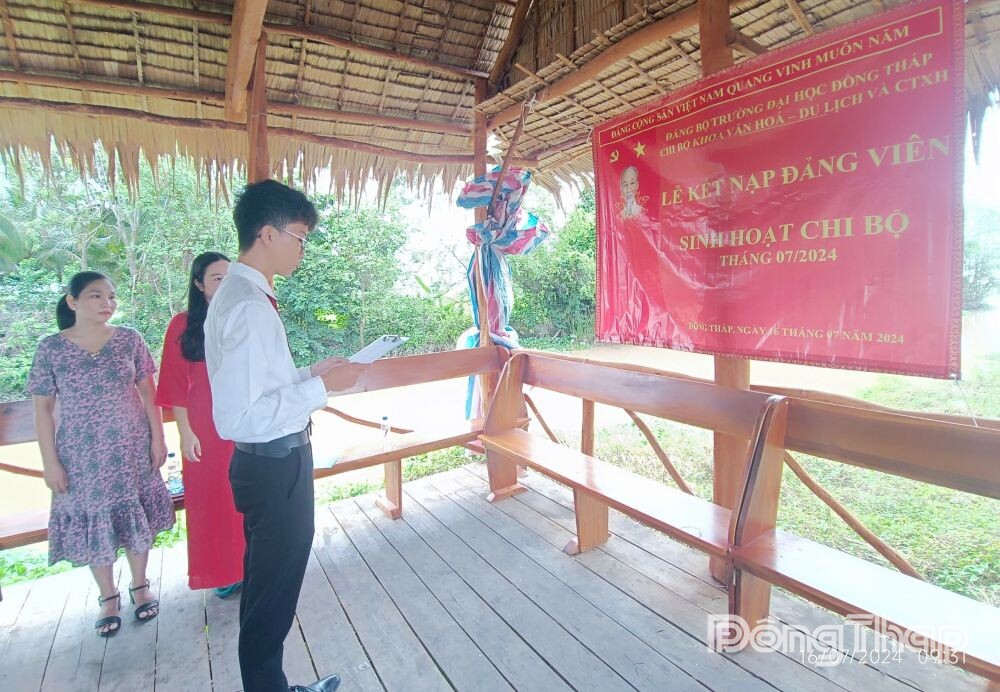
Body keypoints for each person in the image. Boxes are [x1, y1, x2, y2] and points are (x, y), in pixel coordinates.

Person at [205, 180, 364, 692]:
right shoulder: (249, 306)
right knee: (272, 595)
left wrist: (311, 374)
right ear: (268, 234)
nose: (303, 249)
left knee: (265, 588)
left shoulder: (242, 294)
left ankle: (269, 685)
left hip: (270, 464)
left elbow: (262, 386)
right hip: (274, 467)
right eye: (300, 236)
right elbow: (241, 416)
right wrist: (321, 388)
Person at [27, 271, 175, 638]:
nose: (107, 303)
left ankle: (140, 585)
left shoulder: (129, 340)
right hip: (80, 456)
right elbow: (42, 410)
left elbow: (149, 393)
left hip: (131, 448)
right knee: (96, 520)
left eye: (111, 296)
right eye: (96, 296)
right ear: (72, 301)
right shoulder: (50, 349)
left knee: (135, 515)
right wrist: (50, 463)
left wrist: (158, 439)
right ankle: (107, 596)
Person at [157, 251, 245, 597]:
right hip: (204, 426)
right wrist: (185, 432)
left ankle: (250, 565)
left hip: (243, 419)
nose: (225, 285)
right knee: (212, 499)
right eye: (216, 278)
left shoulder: (244, 316)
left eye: (230, 278)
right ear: (199, 284)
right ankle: (221, 572)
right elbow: (174, 384)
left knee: (245, 495)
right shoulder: (182, 324)